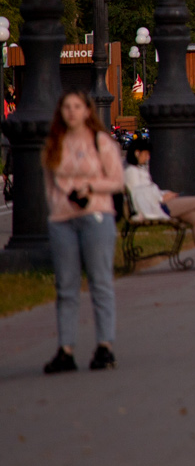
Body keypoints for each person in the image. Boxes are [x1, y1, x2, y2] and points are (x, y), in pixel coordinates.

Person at [43, 91, 122, 373]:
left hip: (96, 216)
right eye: (66, 107)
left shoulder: (100, 142)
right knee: (65, 287)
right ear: (60, 112)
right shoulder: (55, 144)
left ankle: (105, 346)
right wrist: (56, 209)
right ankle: (66, 350)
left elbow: (117, 181)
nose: (72, 112)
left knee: (100, 282)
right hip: (63, 220)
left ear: (87, 111)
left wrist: (90, 189)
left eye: (77, 106)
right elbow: (50, 185)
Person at [124, 149, 195, 263]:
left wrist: (165, 194)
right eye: (146, 154)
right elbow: (139, 196)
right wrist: (162, 198)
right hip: (155, 208)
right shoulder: (131, 172)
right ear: (137, 153)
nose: (148, 158)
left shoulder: (139, 170)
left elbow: (150, 191)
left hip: (158, 204)